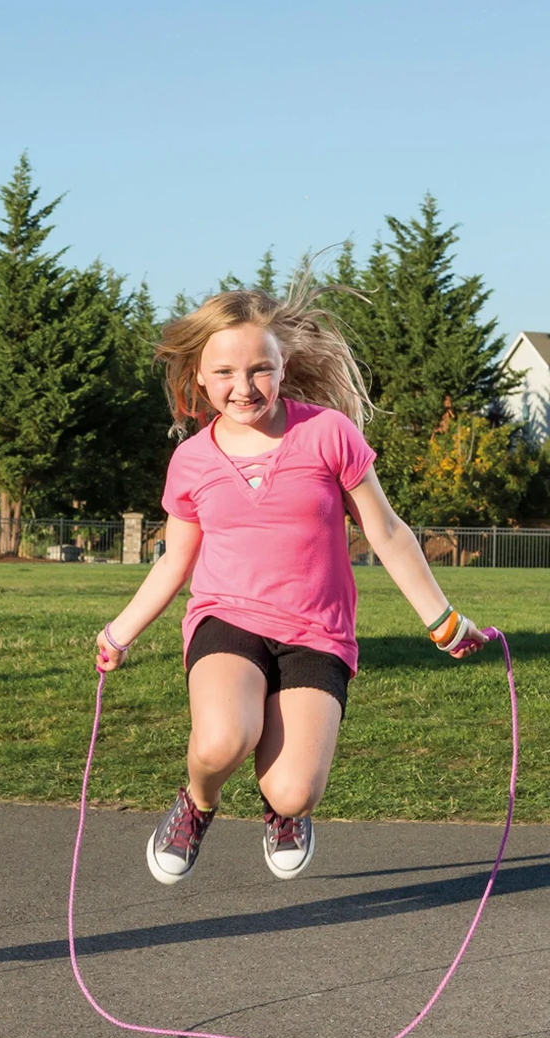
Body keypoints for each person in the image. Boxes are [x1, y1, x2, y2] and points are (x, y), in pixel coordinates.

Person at [95, 283, 485, 886]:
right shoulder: (192, 462)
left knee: (295, 790)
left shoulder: (328, 434)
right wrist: (119, 633)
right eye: (224, 371)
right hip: (227, 618)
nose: (243, 387)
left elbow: (387, 533)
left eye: (260, 369)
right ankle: (197, 804)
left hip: (318, 632)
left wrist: (443, 620)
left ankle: (283, 814)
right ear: (199, 376)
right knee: (224, 741)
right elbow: (174, 563)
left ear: (284, 367)